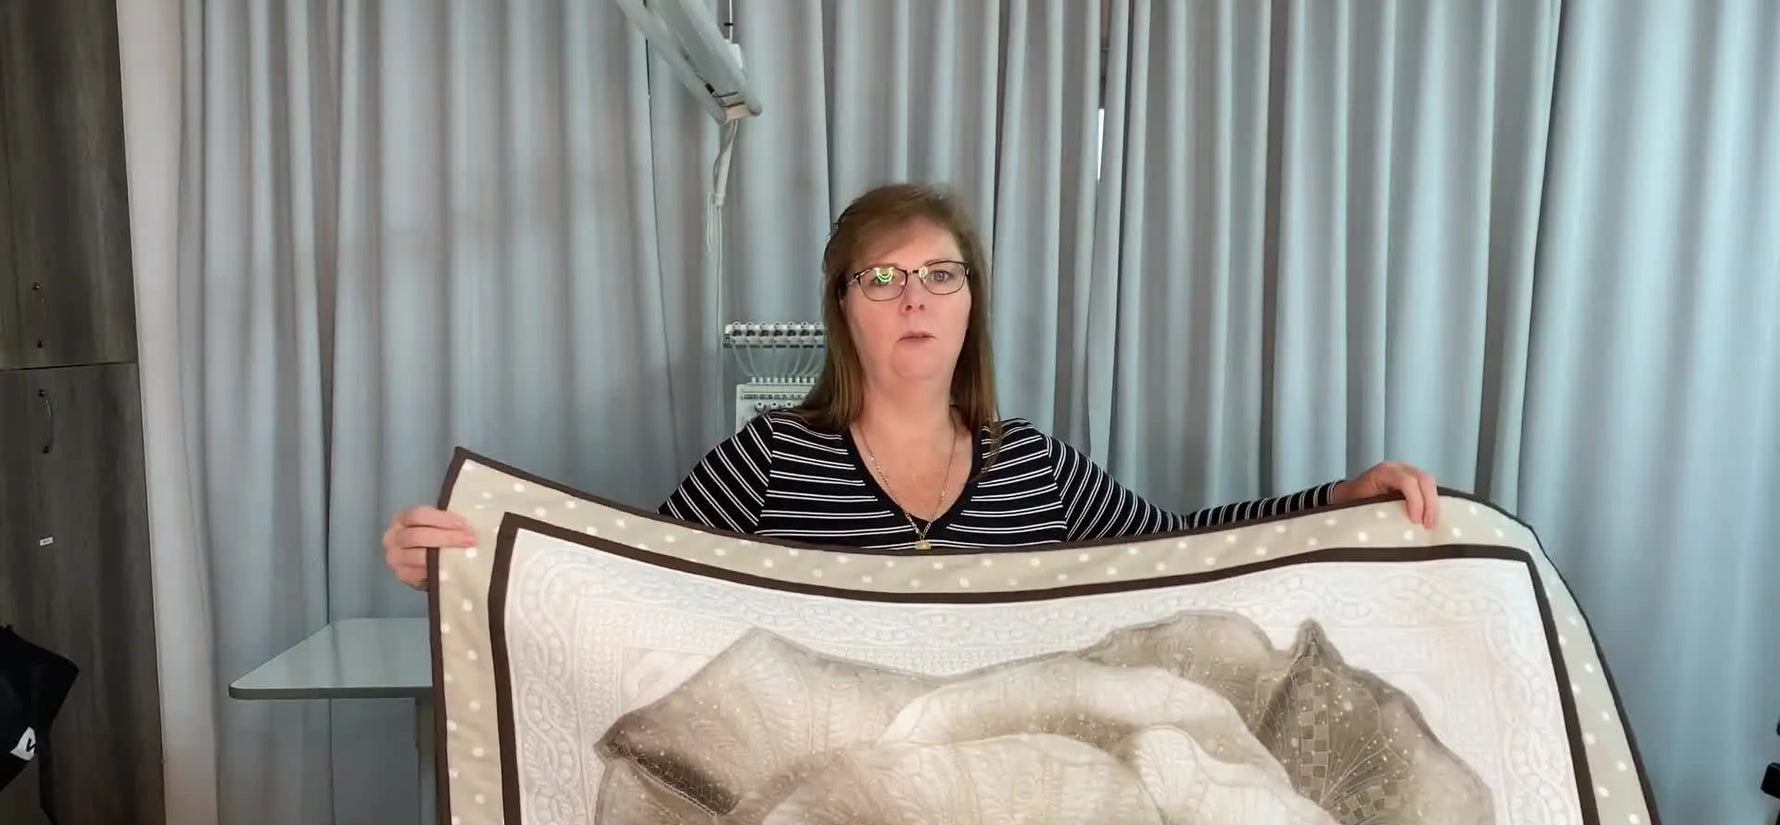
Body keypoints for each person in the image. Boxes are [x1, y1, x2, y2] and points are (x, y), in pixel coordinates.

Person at [383, 182, 1438, 588]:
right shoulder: (767, 460)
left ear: (972, 302)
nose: (913, 297)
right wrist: (468, 564)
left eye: (939, 274)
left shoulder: (1035, 466)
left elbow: (1188, 550)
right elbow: (620, 580)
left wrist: (1339, 502)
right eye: (881, 278)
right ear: (844, 307)